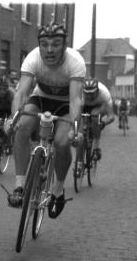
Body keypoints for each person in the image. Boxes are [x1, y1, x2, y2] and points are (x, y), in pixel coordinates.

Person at [5, 22, 86, 219]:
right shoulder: (33, 58)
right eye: (44, 44)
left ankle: (58, 189)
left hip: (66, 104)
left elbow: (75, 100)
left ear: (64, 46)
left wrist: (74, 128)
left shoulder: (75, 62)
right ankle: (20, 185)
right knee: (22, 127)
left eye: (56, 44)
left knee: (61, 142)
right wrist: (13, 117)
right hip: (41, 98)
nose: (49, 50)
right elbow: (22, 92)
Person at [81, 78, 116, 162]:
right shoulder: (79, 93)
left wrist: (103, 123)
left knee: (94, 115)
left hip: (99, 106)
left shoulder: (104, 93)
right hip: (83, 106)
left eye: (92, 93)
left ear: (97, 90)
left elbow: (111, 116)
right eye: (87, 93)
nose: (89, 96)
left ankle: (96, 146)